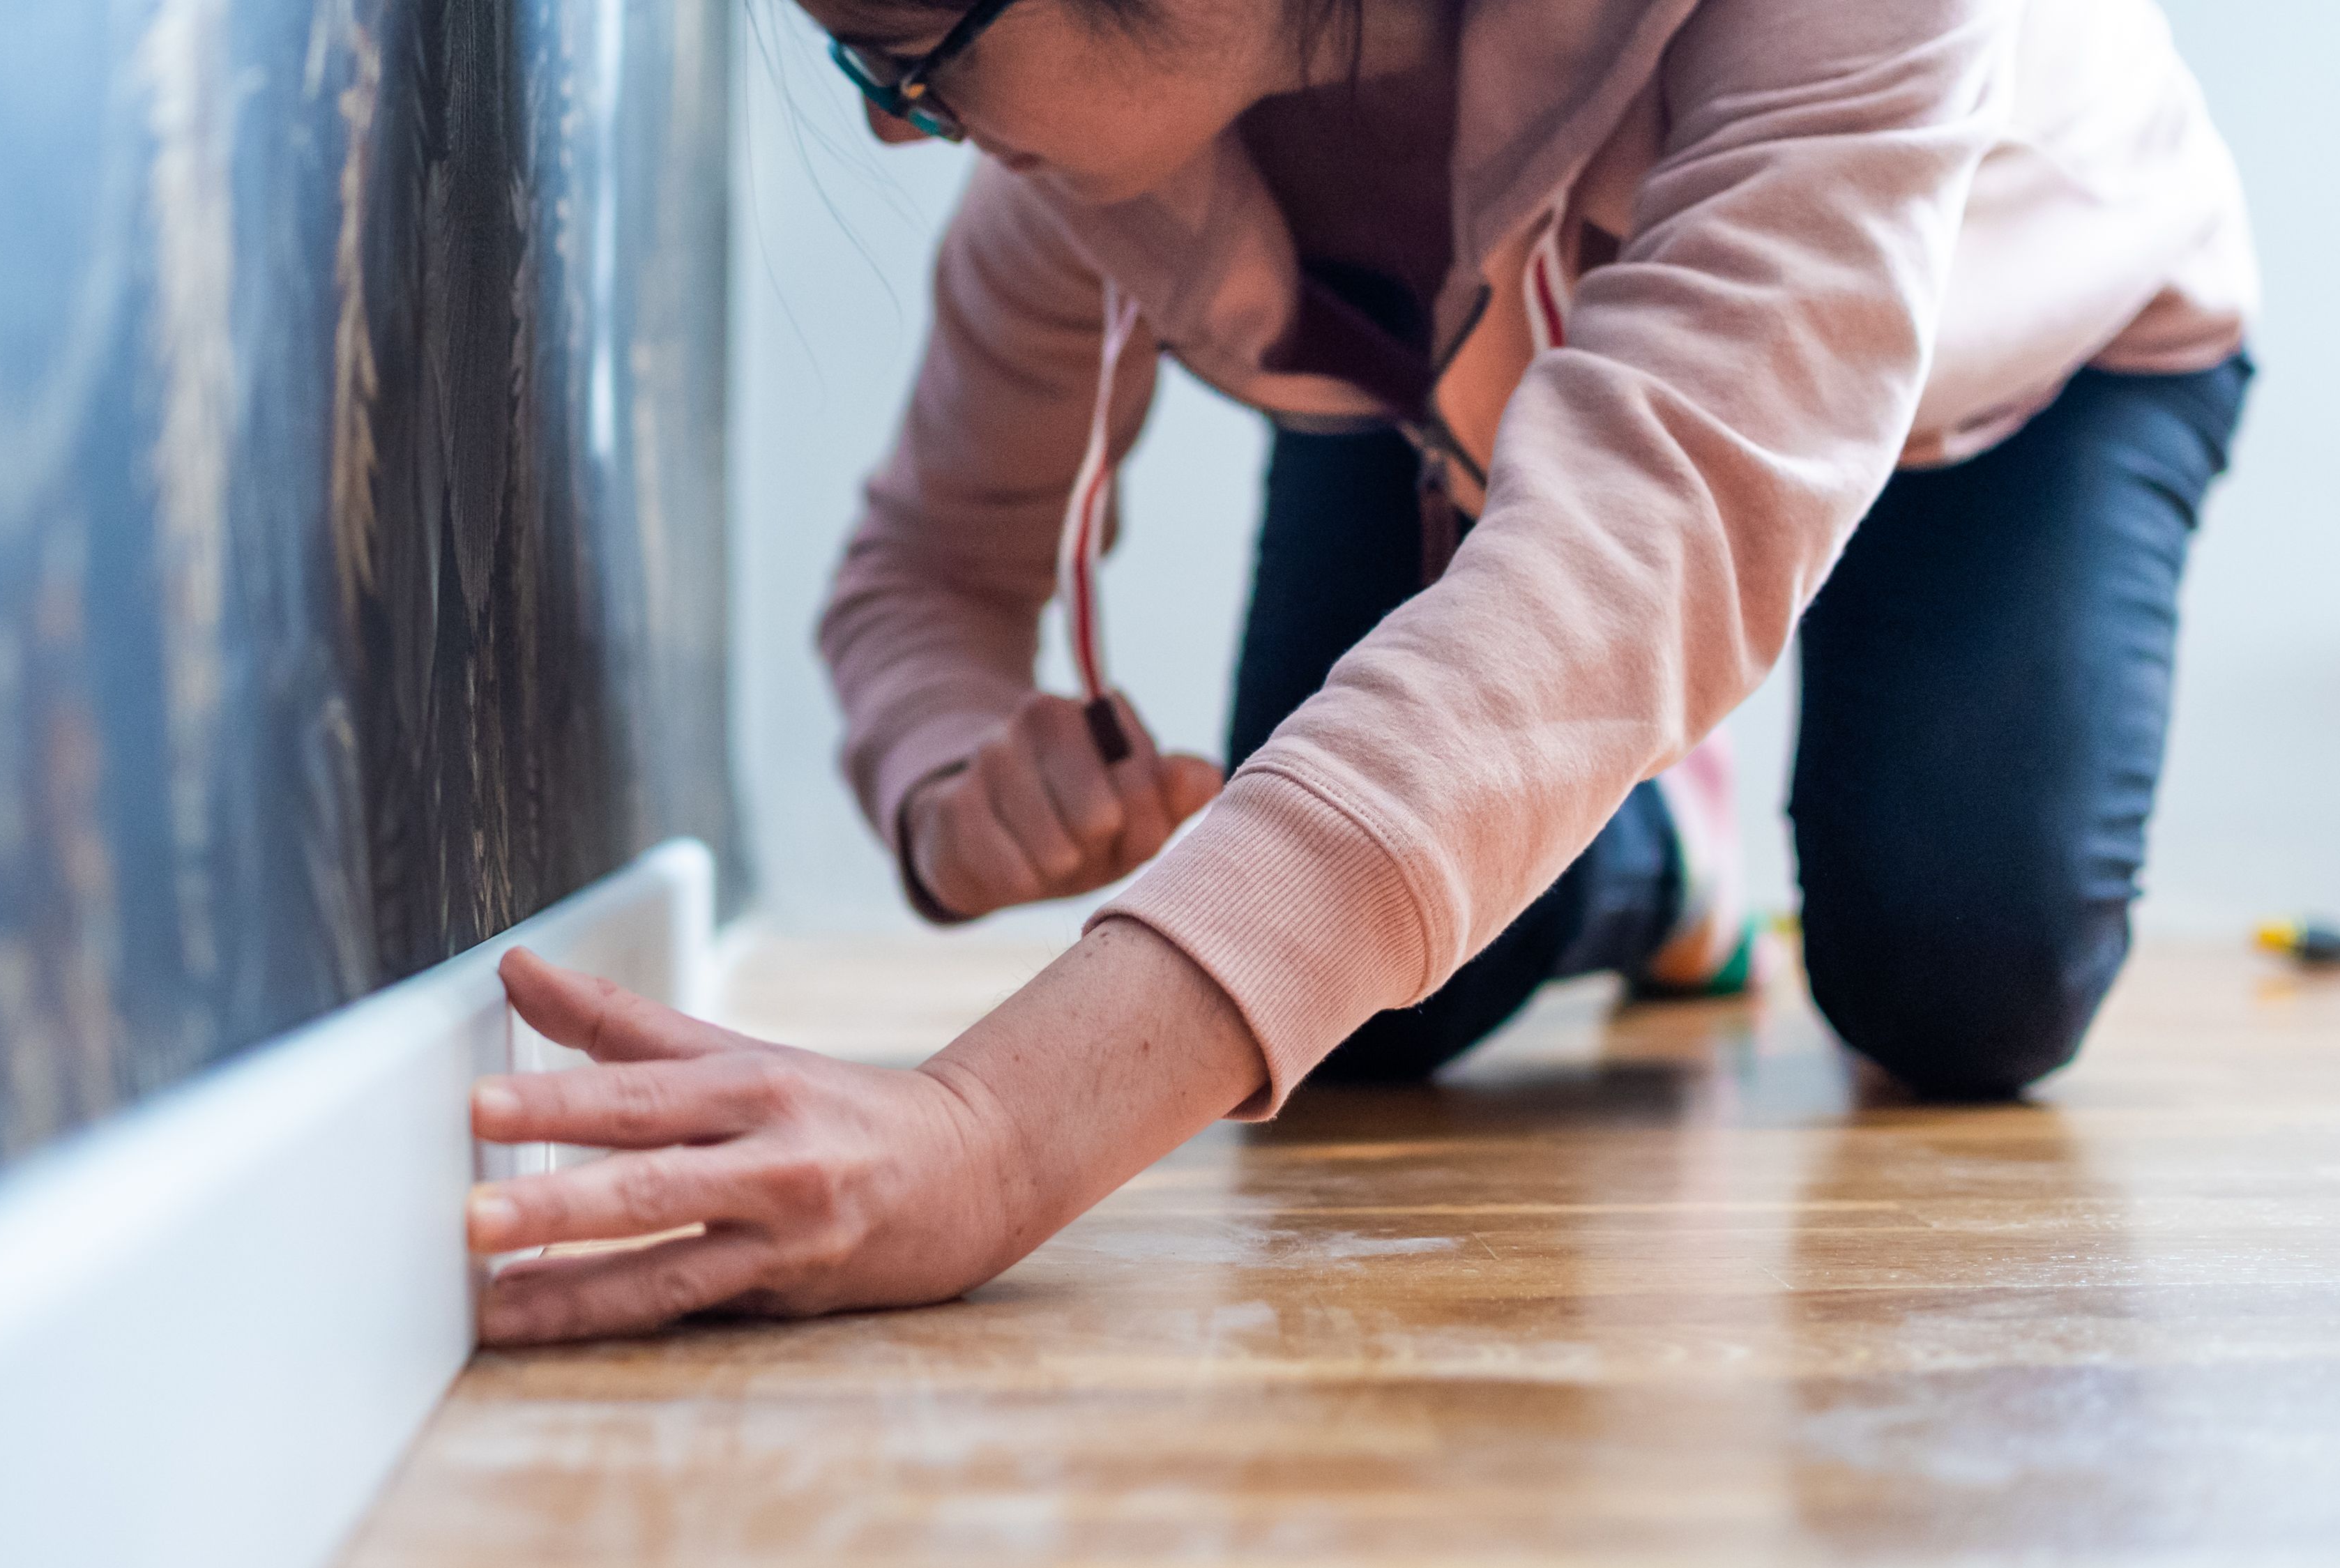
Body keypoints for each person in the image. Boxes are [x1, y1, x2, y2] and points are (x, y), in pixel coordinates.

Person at [464, 0, 2255, 1344]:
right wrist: (951, 766)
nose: (898, 134)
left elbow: (1648, 543)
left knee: (1963, 993)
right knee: (1367, 1019)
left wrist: (988, 1138)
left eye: (904, 58)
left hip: (2033, 352)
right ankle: (1652, 862)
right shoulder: (1094, 164)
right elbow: (920, 573)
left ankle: (1628, 820)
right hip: (1469, 407)